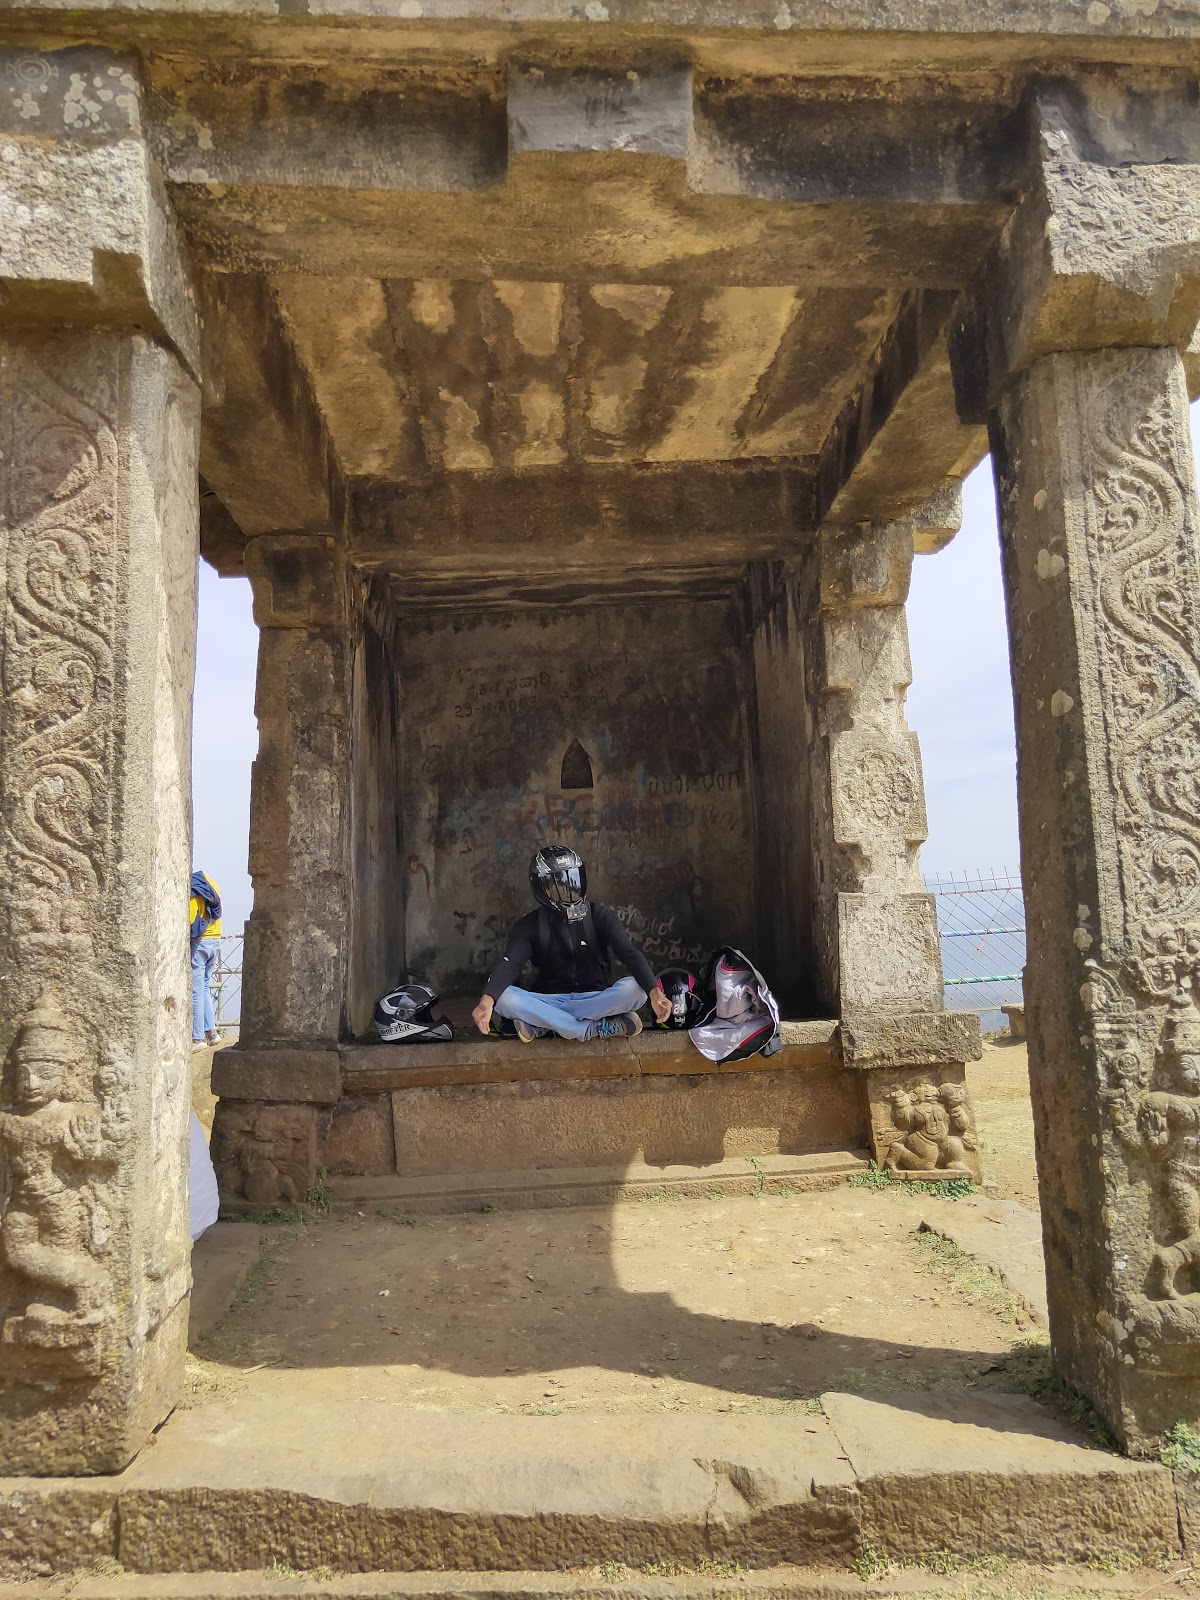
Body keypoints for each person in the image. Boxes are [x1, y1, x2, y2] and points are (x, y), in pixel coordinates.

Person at [472, 846, 673, 1042]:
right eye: (558, 886)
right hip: (548, 999)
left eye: (573, 880)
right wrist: (485, 1003)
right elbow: (510, 964)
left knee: (637, 990)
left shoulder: (600, 915)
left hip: (595, 998)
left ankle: (546, 1022)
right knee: (502, 998)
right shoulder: (529, 925)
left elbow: (629, 953)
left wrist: (656, 994)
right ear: (541, 889)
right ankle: (589, 1028)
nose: (568, 890)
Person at [189, 870, 223, 1047]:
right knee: (204, 987)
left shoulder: (194, 887)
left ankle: (197, 1038)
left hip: (201, 942)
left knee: (196, 990)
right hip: (215, 939)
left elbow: (189, 917)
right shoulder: (211, 883)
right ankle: (212, 1033)